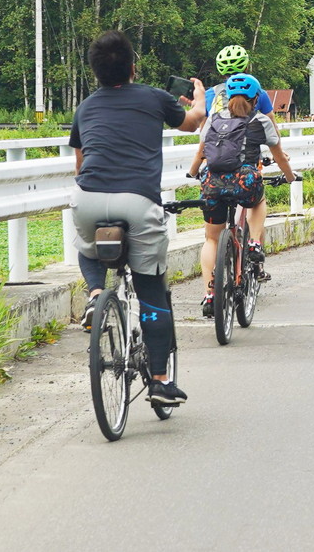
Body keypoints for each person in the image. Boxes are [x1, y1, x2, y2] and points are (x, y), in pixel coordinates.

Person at [69, 30, 205, 406]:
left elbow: (81, 164)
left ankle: (96, 293)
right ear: (133, 67)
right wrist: (199, 99)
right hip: (138, 202)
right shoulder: (153, 96)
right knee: (151, 293)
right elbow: (193, 123)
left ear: (95, 72)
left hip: (89, 198)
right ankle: (160, 381)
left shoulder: (85, 107)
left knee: (87, 247)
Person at [193, 73, 296, 317]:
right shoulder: (260, 120)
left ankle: (210, 294)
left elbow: (201, 152)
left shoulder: (214, 119)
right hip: (244, 182)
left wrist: (192, 172)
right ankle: (254, 243)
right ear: (256, 97)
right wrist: (290, 177)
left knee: (211, 239)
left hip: (213, 183)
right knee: (258, 200)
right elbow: (279, 154)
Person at [205, 44, 274, 117]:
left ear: (220, 71)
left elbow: (204, 127)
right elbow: (272, 124)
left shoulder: (208, 94)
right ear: (246, 67)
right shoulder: (258, 92)